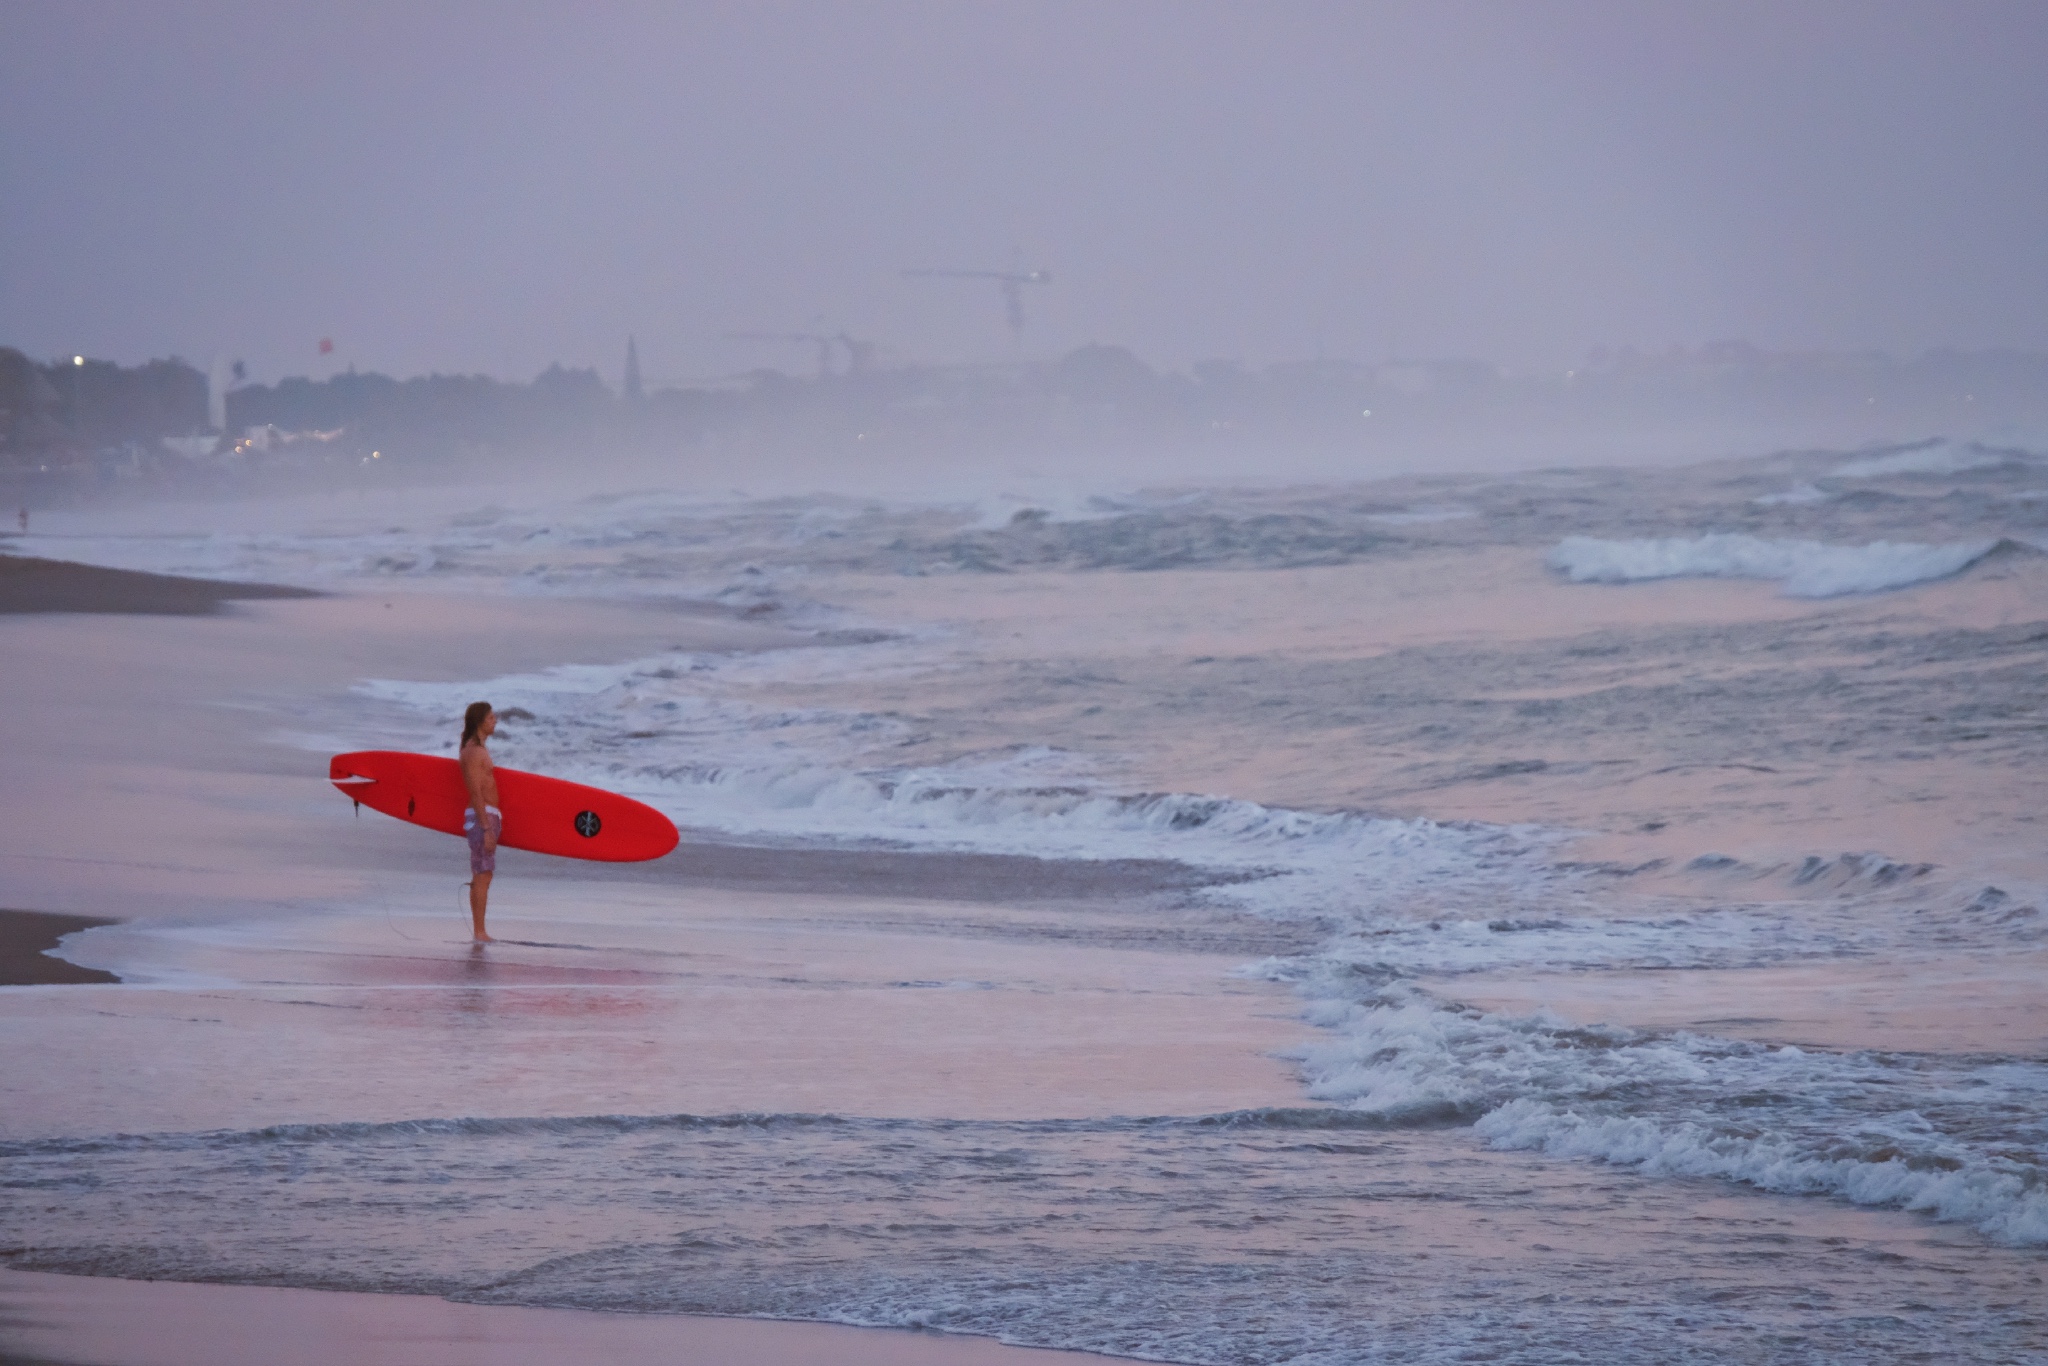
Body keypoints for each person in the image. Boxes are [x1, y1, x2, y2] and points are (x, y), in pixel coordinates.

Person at [459, 701, 500, 941]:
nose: (495, 722)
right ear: (480, 722)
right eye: (491, 718)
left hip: (486, 814)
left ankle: (479, 931)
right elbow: (475, 791)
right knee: (482, 874)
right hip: (481, 816)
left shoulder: (477, 749)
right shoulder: (474, 752)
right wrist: (486, 827)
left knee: (483, 873)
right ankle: (480, 932)